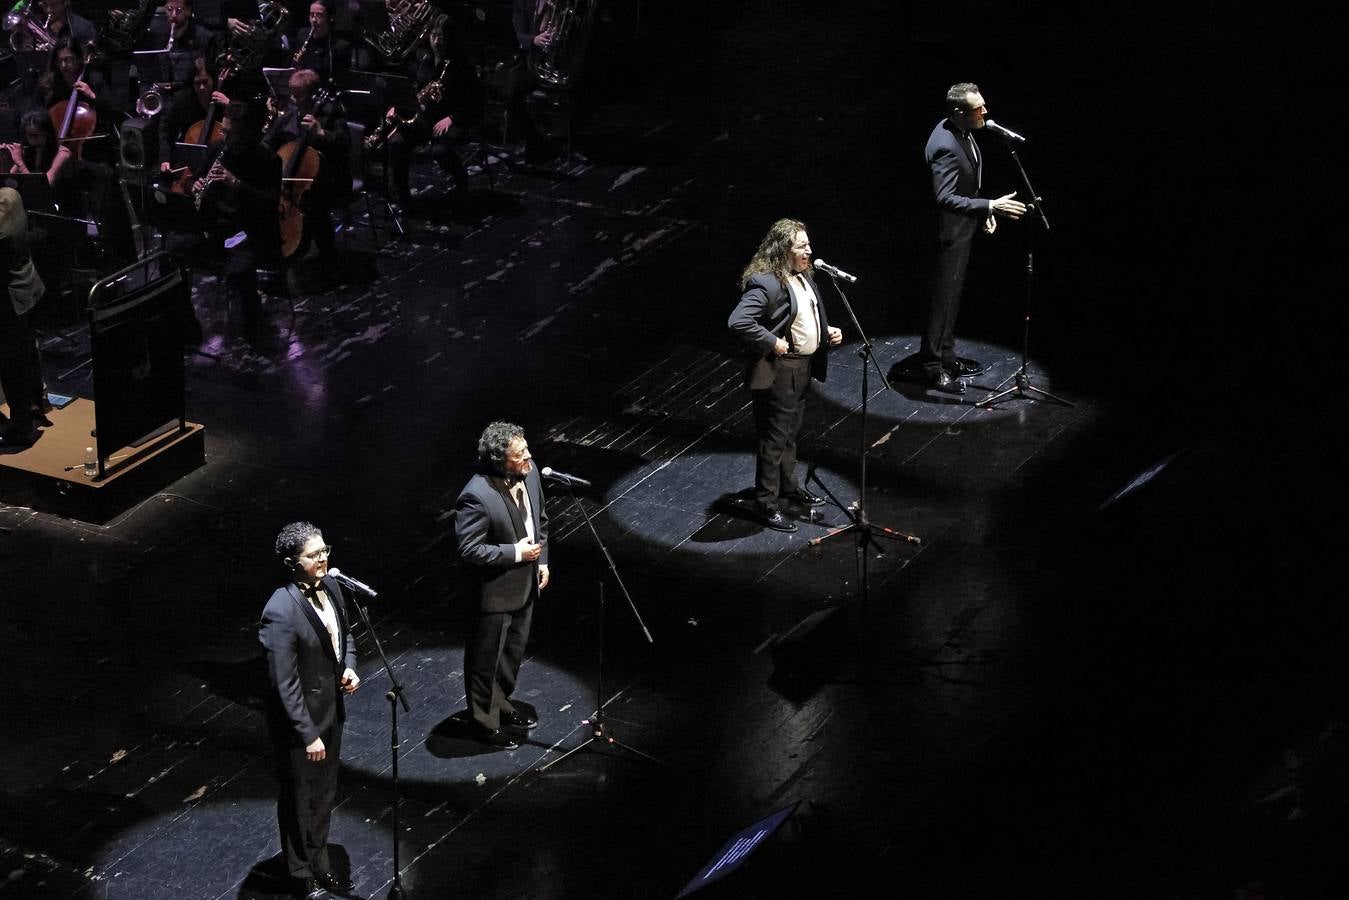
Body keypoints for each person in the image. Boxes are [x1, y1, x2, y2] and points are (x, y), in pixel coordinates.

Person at [259, 521, 360, 900]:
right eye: (313, 554)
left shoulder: (332, 586)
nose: (323, 559)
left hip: (332, 712)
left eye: (324, 550)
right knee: (300, 797)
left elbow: (345, 638)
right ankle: (299, 870)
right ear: (292, 562)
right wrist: (307, 733)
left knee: (324, 793)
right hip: (301, 725)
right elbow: (283, 684)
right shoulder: (280, 610)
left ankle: (320, 861)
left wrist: (349, 666)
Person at [727, 218, 842, 533]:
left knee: (791, 433)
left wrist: (826, 331)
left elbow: (805, 315)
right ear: (783, 250)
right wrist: (771, 341)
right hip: (780, 371)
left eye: (808, 243)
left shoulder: (805, 277)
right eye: (801, 245)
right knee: (774, 439)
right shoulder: (767, 282)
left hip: (803, 368)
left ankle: (788, 487)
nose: (809, 250)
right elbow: (738, 321)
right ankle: (766, 504)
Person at [920, 82, 1026, 395]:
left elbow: (967, 186)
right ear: (959, 113)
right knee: (942, 301)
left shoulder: (963, 132)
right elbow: (945, 197)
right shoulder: (944, 145)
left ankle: (947, 357)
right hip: (947, 236)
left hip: (962, 228)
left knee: (952, 298)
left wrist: (983, 214)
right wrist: (991, 205)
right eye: (978, 108)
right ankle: (932, 367)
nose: (985, 111)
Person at [454, 421, 550, 750]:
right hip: (494, 592)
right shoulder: (477, 495)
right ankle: (484, 720)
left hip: (526, 585)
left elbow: (541, 521)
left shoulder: (531, 471)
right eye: (520, 454)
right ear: (499, 460)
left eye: (526, 450)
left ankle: (502, 703)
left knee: (511, 654)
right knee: (486, 660)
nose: (529, 456)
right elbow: (469, 549)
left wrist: (542, 561)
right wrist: (516, 553)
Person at [0, 188, 47, 450]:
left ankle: (23, 427)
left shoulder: (8, 197)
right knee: (25, 354)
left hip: (14, 296)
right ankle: (34, 407)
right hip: (19, 295)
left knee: (13, 363)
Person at [291, 0, 349, 89]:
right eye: (311, 15)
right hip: (301, 89)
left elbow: (339, 79)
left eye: (319, 15)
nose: (314, 20)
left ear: (331, 17)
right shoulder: (302, 35)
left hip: (322, 91)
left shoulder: (339, 46)